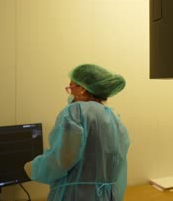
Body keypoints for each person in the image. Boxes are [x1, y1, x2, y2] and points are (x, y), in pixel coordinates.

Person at [24, 64, 130, 201]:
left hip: (77, 195)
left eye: (71, 87)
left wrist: (33, 168)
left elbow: (62, 159)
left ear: (83, 90)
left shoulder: (75, 112)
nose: (70, 92)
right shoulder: (114, 117)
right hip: (108, 196)